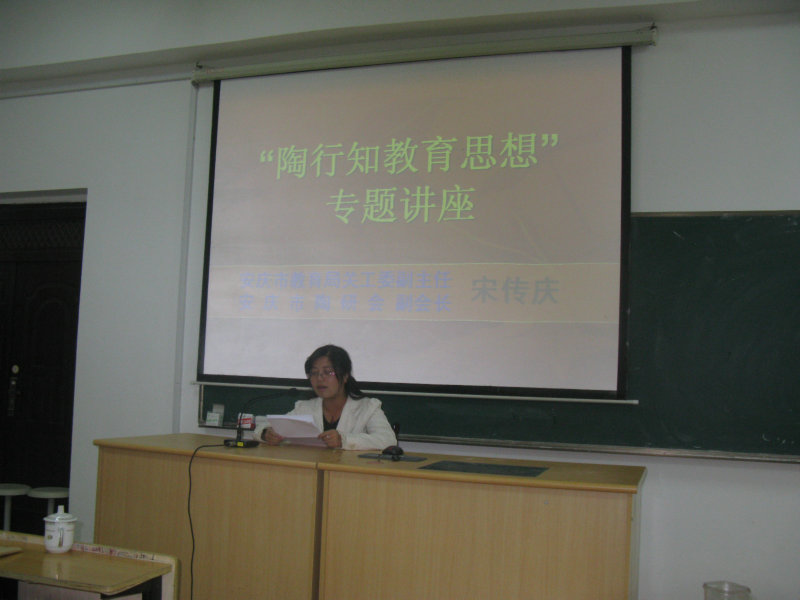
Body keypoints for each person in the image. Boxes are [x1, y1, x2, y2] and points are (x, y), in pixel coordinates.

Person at [254, 345, 397, 450]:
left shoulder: (368, 407)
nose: (320, 378)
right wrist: (266, 433)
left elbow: (388, 440)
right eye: (314, 373)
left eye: (328, 372)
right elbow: (265, 426)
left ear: (345, 376)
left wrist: (344, 440)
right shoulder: (305, 408)